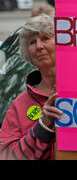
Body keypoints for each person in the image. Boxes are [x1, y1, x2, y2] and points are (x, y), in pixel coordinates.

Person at [0, 14, 62, 160]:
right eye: (32, 42)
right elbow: (6, 156)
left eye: (45, 38)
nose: (39, 46)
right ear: (28, 53)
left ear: (61, 43)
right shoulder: (19, 105)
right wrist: (42, 127)